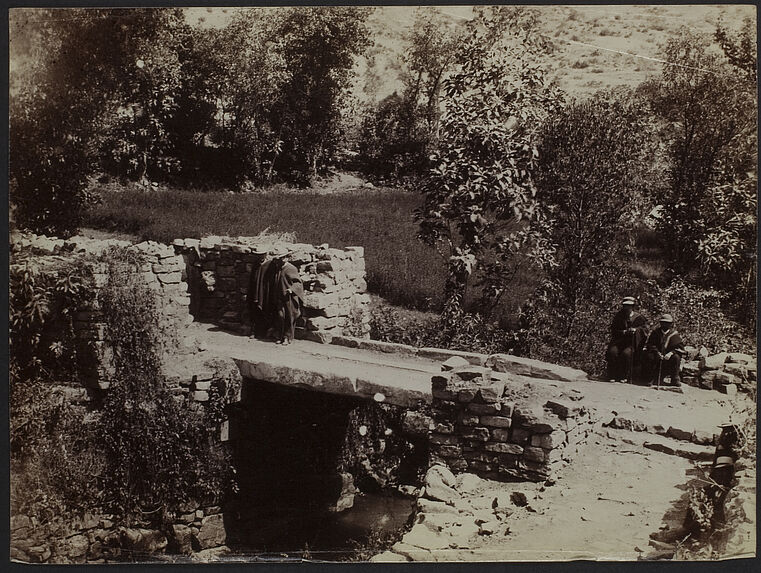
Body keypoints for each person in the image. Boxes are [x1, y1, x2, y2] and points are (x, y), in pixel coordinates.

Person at [606, 297, 648, 382]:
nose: (627, 308)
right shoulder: (618, 317)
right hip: (619, 342)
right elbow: (613, 330)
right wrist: (624, 332)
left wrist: (636, 331)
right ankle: (612, 375)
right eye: (625, 306)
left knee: (626, 354)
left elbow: (645, 330)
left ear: (633, 306)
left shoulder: (639, 318)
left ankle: (624, 376)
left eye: (629, 306)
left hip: (632, 343)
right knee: (612, 352)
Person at [645, 314, 686, 386]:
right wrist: (657, 352)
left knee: (676, 357)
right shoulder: (655, 333)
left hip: (669, 358)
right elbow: (650, 344)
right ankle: (651, 378)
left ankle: (674, 379)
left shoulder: (674, 334)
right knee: (650, 356)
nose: (665, 325)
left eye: (667, 323)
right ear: (660, 323)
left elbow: (679, 348)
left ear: (671, 324)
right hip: (657, 356)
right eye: (663, 323)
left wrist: (671, 353)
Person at [272, 255, 304, 345]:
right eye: (279, 258)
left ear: (287, 258)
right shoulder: (279, 268)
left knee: (289, 317)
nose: (281, 259)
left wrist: (292, 289)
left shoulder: (291, 268)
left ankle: (287, 337)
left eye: (283, 257)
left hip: (289, 297)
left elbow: (298, 282)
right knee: (280, 316)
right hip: (280, 296)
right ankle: (280, 336)